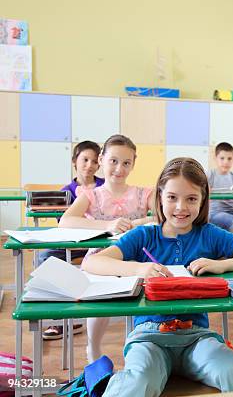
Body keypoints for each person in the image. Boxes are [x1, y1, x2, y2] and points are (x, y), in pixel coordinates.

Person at [83, 157, 233, 395]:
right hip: (149, 337)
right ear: (159, 197)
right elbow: (93, 261)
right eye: (172, 198)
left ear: (202, 201)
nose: (181, 207)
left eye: (191, 199)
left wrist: (222, 265)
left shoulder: (209, 235)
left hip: (196, 337)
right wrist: (140, 269)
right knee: (136, 382)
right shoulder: (144, 236)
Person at [60, 134, 155, 363]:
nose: (119, 168)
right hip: (101, 259)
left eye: (126, 163)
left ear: (133, 164)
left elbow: (162, 217)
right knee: (97, 295)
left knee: (147, 296)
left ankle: (140, 347)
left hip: (137, 259)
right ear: (101, 159)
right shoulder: (91, 195)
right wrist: (107, 225)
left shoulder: (143, 194)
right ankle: (93, 345)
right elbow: (66, 220)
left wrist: (136, 224)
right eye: (113, 161)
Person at [40, 140, 105, 340]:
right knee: (46, 258)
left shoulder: (105, 186)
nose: (89, 165)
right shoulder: (66, 190)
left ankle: (86, 307)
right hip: (76, 244)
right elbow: (63, 222)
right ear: (74, 161)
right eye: (85, 159)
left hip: (101, 242)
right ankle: (66, 318)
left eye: (94, 161)